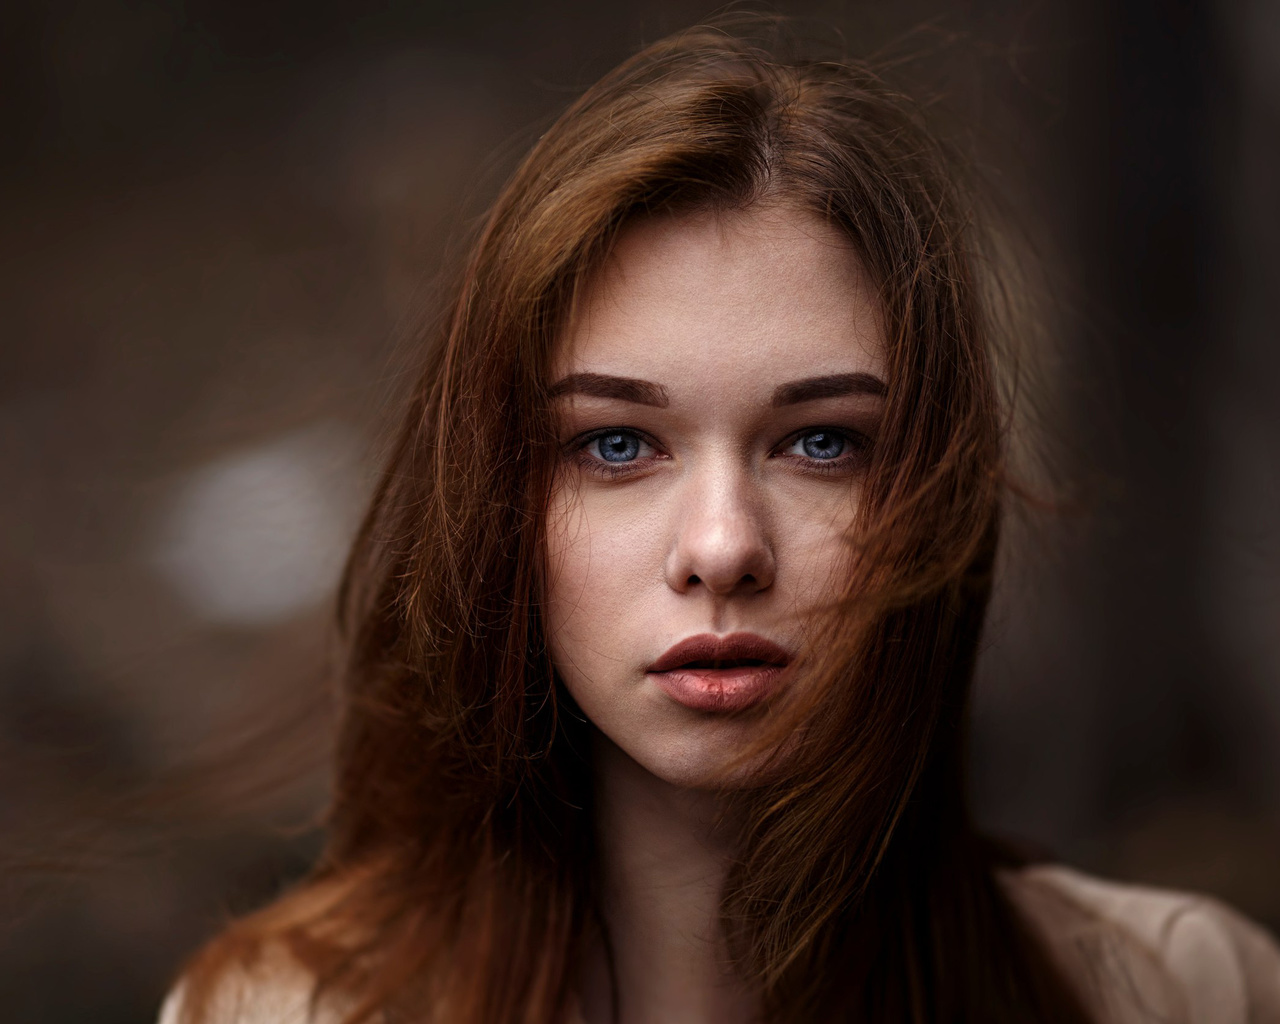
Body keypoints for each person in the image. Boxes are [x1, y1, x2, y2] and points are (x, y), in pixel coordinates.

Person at [159, 21, 1280, 1024]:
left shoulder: (1181, 991)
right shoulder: (279, 1012)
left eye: (823, 442)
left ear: (935, 494)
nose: (721, 548)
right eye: (615, 444)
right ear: (498, 504)